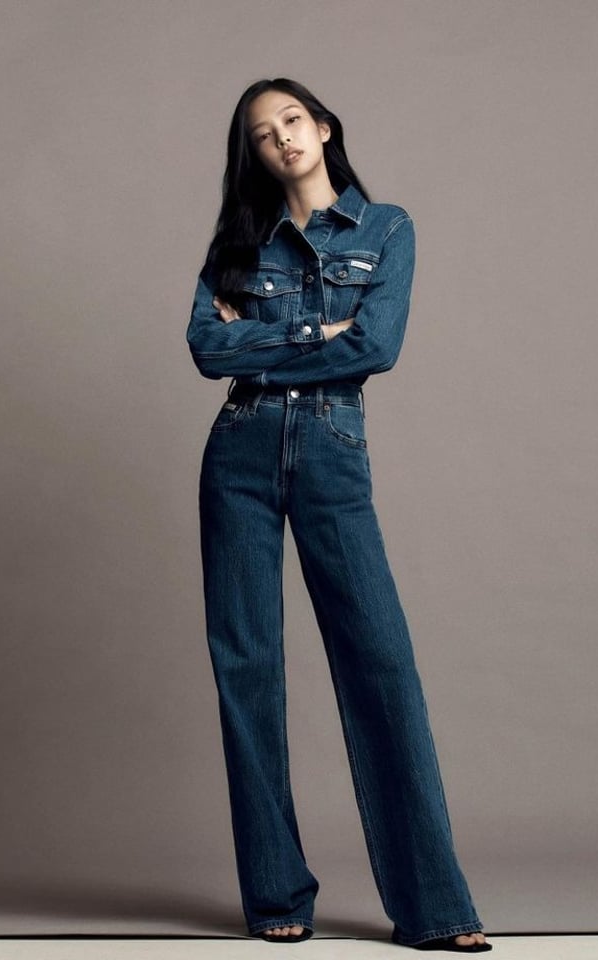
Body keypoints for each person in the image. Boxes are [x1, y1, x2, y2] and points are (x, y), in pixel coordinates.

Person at [186, 78, 492, 953]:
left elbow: (376, 345)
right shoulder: (237, 244)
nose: (281, 137)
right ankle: (275, 894)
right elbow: (205, 347)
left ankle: (434, 908)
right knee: (247, 669)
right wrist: (316, 336)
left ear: (323, 128)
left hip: (331, 447)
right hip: (239, 452)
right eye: (262, 132)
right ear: (253, 154)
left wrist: (261, 341)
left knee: (380, 663)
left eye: (292, 119)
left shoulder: (385, 228)